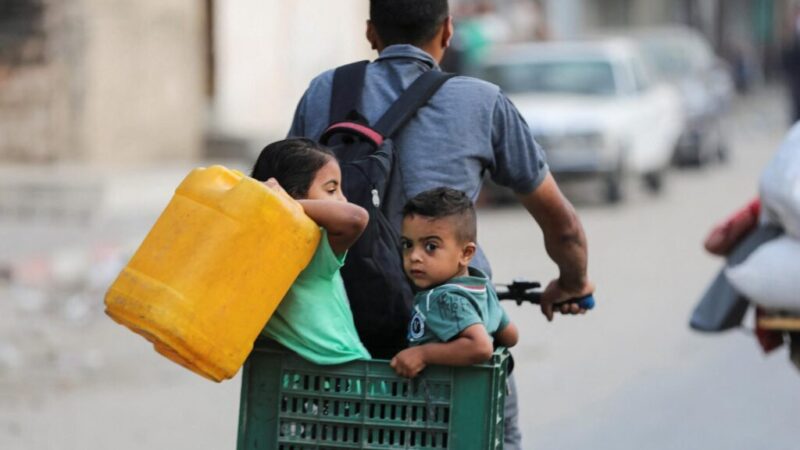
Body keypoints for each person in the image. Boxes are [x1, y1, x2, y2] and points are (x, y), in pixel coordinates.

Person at [287, 1, 594, 447]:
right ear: (448, 32)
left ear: (371, 33)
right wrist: (572, 281)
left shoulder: (323, 93)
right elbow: (562, 227)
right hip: (451, 342)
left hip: (341, 326)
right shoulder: (482, 102)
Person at [251, 138, 371, 364]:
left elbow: (355, 218)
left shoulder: (316, 246)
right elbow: (356, 217)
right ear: (295, 194)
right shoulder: (310, 249)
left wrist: (282, 204)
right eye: (332, 189)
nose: (343, 199)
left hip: (339, 376)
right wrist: (285, 204)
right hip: (334, 370)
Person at [391, 188, 518, 378]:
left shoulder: (443, 298)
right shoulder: (481, 287)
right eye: (407, 245)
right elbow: (510, 336)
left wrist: (422, 354)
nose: (415, 256)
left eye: (431, 246)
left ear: (466, 254)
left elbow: (481, 347)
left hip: (444, 400)